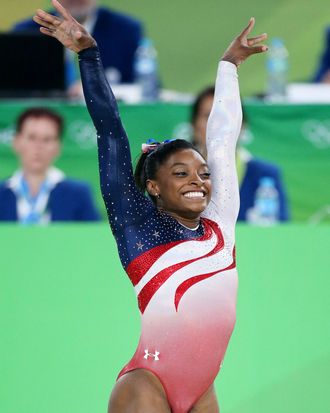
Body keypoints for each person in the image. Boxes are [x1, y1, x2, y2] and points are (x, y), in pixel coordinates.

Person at [33, 1, 268, 411]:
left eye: (202, 174)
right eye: (181, 174)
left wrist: (228, 67)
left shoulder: (220, 223)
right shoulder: (136, 224)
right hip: (147, 383)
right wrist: (88, 55)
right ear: (154, 187)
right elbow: (110, 133)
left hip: (201, 389)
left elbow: (221, 139)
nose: (198, 180)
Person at [191, 87, 290, 222]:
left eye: (225, 117)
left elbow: (280, 230)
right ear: (194, 125)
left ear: (242, 125)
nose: (217, 124)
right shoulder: (178, 174)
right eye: (208, 116)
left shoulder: (266, 174)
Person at [13, 0, 143, 96]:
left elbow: (146, 90)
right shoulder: (25, 31)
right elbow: (11, 93)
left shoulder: (126, 30)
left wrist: (91, 89)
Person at [0, 107, 100, 223]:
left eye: (47, 139)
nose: (38, 146)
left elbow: (92, 237)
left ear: (58, 147)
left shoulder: (79, 193)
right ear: (16, 142)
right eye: (32, 138)